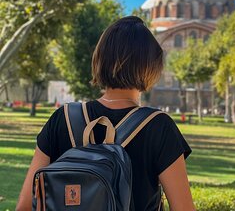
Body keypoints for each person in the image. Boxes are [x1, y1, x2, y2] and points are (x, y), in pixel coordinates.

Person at [16, 16, 195, 211]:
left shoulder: (63, 118)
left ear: (99, 59)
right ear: (151, 67)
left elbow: (25, 206)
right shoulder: (158, 126)